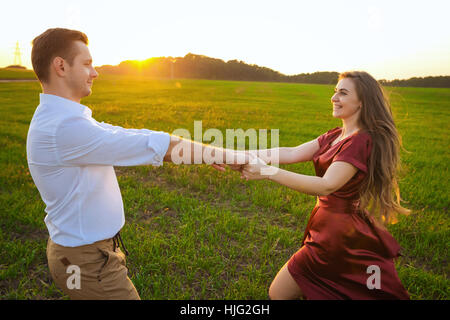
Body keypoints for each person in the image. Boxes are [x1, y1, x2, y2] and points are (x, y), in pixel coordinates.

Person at [26, 28, 249, 300]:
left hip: (83, 256)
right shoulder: (64, 127)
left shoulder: (63, 118)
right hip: (85, 262)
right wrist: (219, 154)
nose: (95, 73)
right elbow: (152, 146)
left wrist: (204, 153)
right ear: (60, 66)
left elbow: (125, 135)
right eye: (87, 64)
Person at [240, 71, 411, 300]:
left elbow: (326, 185)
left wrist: (267, 171)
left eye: (343, 93)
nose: (334, 98)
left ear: (362, 102)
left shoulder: (360, 141)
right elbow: (291, 152)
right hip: (329, 229)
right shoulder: (334, 136)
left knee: (279, 293)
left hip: (339, 237)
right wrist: (241, 156)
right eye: (335, 92)